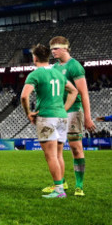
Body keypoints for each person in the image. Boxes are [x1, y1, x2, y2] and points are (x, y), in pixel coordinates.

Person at [21, 44, 79, 199]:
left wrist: (29, 113)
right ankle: (61, 185)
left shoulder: (35, 74)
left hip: (47, 117)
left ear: (35, 57)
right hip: (61, 117)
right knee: (58, 154)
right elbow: (74, 91)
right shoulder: (58, 73)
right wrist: (64, 108)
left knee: (50, 155)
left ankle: (59, 189)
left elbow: (24, 96)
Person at [47, 36, 96, 197]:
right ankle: (61, 183)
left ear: (65, 48)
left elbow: (84, 93)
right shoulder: (53, 68)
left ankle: (79, 185)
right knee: (56, 150)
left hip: (74, 111)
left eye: (55, 48)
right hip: (58, 112)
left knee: (76, 148)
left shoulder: (75, 66)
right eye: (51, 49)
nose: (52, 51)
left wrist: (88, 117)